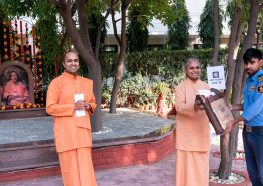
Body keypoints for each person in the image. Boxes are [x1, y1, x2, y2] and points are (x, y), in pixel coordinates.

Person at [46, 51, 97, 186]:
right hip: (65, 133)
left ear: (79, 64)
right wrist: (73, 106)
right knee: (70, 172)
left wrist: (89, 105)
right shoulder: (56, 83)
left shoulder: (86, 83)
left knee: (86, 170)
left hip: (82, 132)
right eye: (69, 61)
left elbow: (93, 102)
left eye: (75, 60)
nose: (73, 63)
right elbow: (50, 108)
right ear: (64, 64)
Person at [226, 48, 263, 186]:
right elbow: (248, 104)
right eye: (246, 63)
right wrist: (234, 107)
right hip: (247, 132)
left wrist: (234, 121)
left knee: (262, 171)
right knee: (253, 172)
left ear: (261, 62)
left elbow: (256, 108)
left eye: (252, 62)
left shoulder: (261, 80)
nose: (248, 66)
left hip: (260, 132)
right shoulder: (250, 80)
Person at [174, 58, 210, 186]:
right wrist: (193, 107)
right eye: (192, 68)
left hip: (201, 135)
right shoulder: (180, 87)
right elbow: (178, 107)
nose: (195, 70)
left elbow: (212, 108)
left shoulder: (206, 87)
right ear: (186, 71)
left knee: (201, 171)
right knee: (185, 172)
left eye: (197, 67)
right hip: (186, 138)